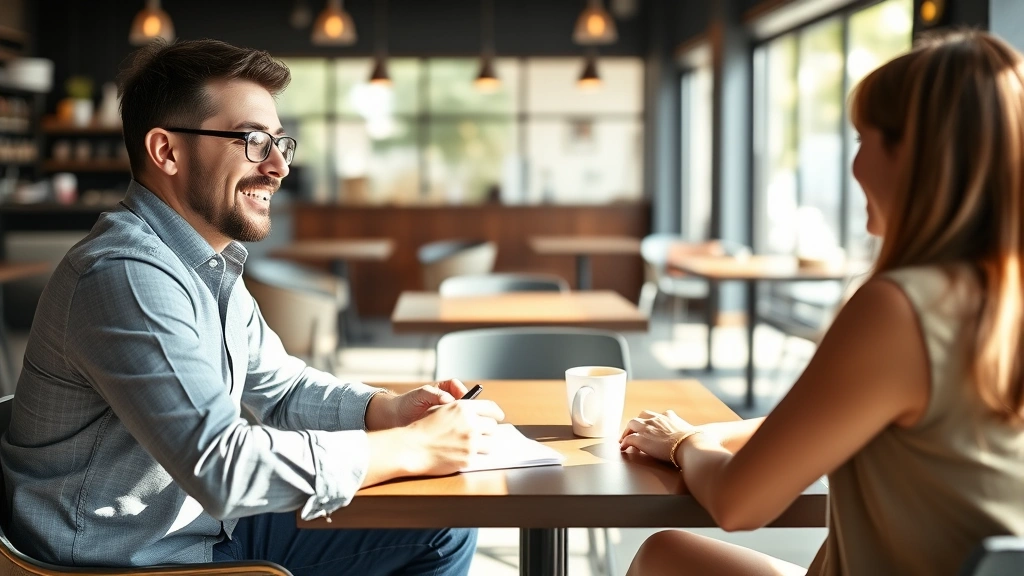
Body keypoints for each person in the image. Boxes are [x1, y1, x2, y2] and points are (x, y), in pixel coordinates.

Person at [0, 39, 504, 575]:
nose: (279, 167)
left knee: (438, 528)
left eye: (281, 143)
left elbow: (281, 387)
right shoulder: (127, 274)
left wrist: (387, 410)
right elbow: (223, 467)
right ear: (166, 151)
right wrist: (413, 448)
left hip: (193, 524)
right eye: (254, 141)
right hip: (127, 556)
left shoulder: (205, 263)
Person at [619, 30, 1024, 576]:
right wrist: (709, 434)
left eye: (863, 140)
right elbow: (842, 413)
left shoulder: (900, 309)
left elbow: (740, 503)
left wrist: (686, 445)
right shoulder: (997, 297)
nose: (854, 166)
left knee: (663, 555)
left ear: (911, 155)